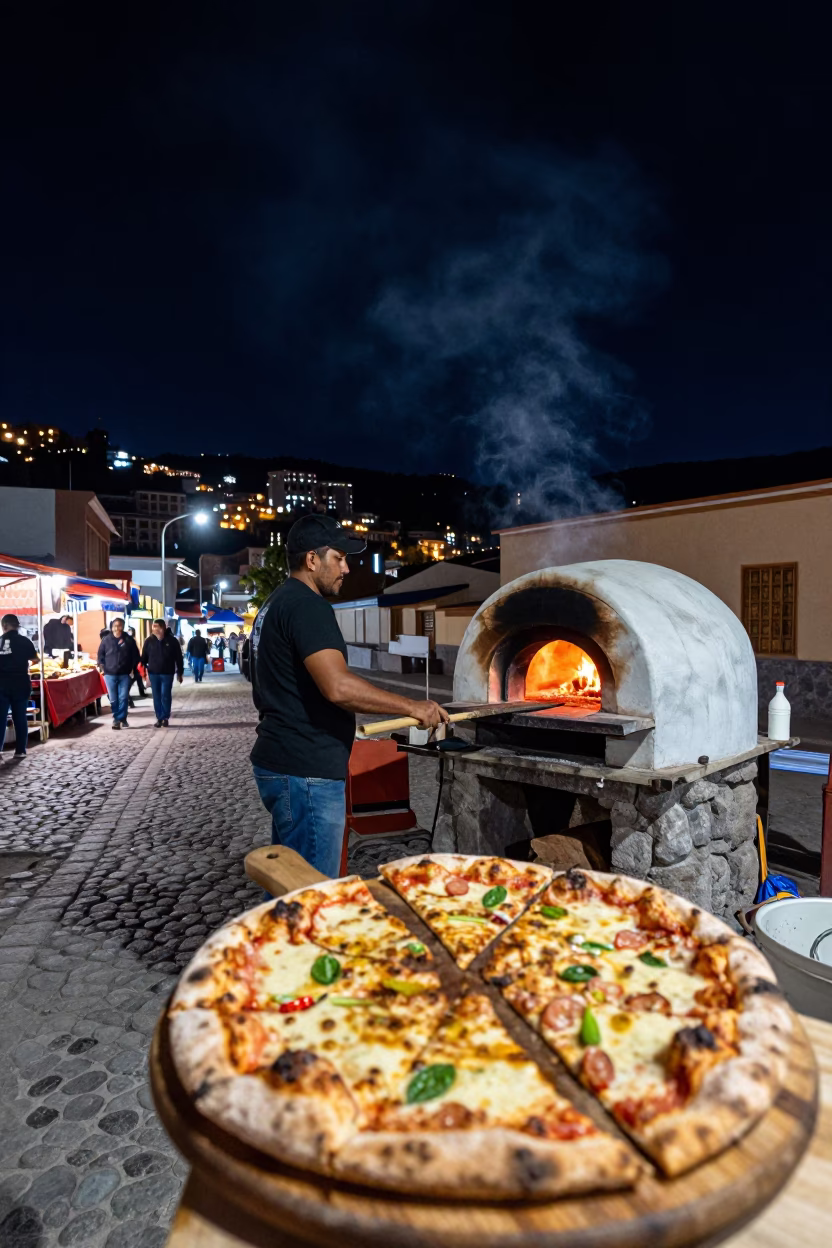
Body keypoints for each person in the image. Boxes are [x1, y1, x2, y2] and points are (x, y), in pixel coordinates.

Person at [250, 514, 448, 876]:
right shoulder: (308, 606)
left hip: (283, 762)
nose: (346, 568)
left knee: (289, 883)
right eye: (338, 558)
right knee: (314, 892)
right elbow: (338, 686)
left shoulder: (275, 603)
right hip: (306, 769)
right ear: (312, 560)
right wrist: (412, 706)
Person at [0, 613, 38, 759]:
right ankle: (20, 750)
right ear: (17, 626)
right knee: (20, 717)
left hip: (2, 684)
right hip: (21, 683)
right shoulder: (25, 641)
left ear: (4, 625)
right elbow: (35, 659)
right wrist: (24, 662)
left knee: (1, 718)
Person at [97, 617, 140, 729]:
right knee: (113, 699)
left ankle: (120, 719)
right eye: (114, 626)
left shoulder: (129, 640)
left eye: (119, 625)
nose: (117, 628)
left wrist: (132, 669)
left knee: (123, 697)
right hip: (109, 674)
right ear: (112, 627)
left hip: (124, 674)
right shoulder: (106, 640)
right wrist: (103, 668)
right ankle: (119, 718)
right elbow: (100, 655)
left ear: (123, 626)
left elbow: (136, 656)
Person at [141, 619, 184, 727]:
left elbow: (178, 658)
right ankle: (159, 717)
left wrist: (180, 672)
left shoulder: (173, 641)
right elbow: (144, 657)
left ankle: (165, 717)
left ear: (163, 628)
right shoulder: (149, 641)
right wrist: (143, 668)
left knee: (165, 695)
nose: (156, 629)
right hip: (153, 673)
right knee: (156, 696)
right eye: (154, 626)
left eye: (158, 627)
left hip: (167, 673)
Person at [127, 627, 149, 704]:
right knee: (136, 679)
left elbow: (135, 653)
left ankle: (130, 699)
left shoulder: (129, 641)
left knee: (133, 680)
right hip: (133, 665)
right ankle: (140, 692)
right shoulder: (130, 640)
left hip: (133, 665)